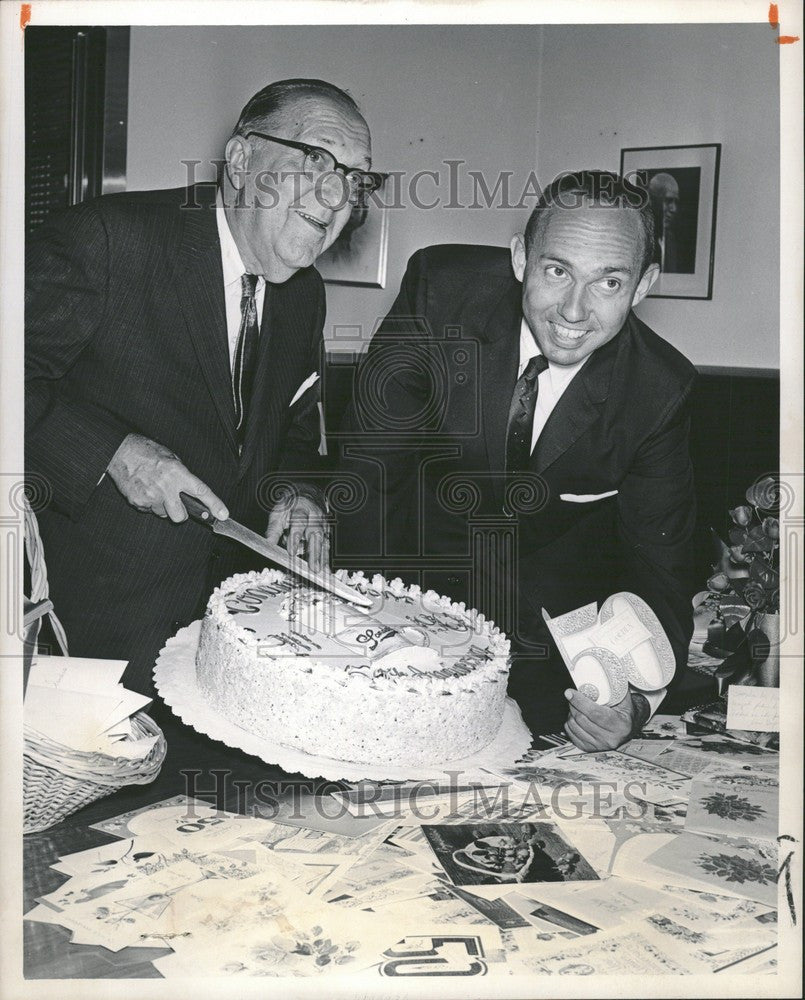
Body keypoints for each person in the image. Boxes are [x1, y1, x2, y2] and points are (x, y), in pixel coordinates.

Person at [26, 78, 377, 693]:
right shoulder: (107, 238)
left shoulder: (305, 293)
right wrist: (113, 452)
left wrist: (297, 494)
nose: (336, 194)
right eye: (316, 159)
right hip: (85, 639)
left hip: (222, 642)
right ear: (242, 161)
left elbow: (289, 432)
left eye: (355, 178)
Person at [336, 171, 696, 750]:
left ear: (644, 284)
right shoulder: (440, 292)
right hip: (396, 602)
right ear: (520, 256)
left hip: (541, 654)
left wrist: (634, 704)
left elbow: (663, 569)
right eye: (557, 271)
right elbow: (371, 476)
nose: (574, 311)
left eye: (608, 281)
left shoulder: (659, 390)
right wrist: (363, 623)